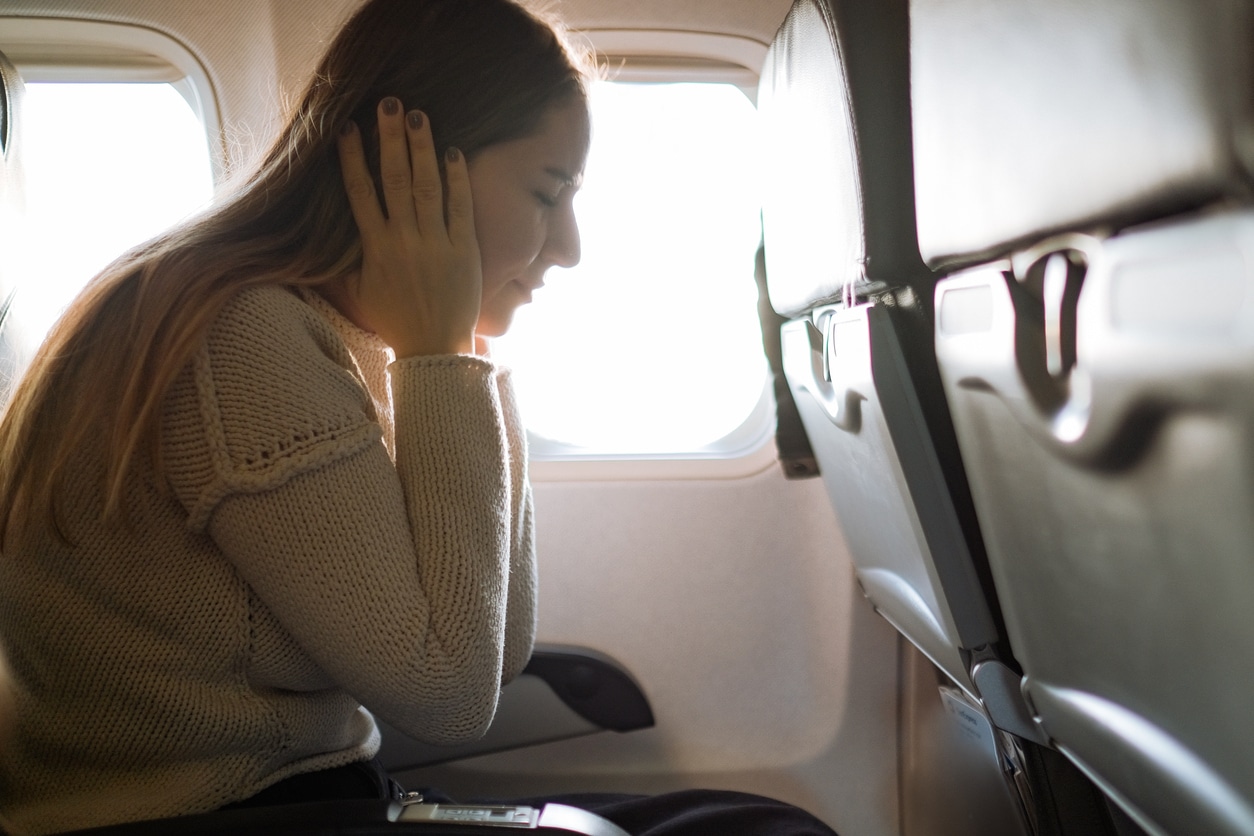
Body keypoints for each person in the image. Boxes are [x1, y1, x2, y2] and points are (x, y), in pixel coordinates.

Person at [0, 1, 838, 834]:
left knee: (746, 822)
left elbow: (498, 648)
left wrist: (461, 349)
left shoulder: (329, 329)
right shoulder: (242, 337)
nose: (571, 244)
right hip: (207, 814)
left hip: (294, 798)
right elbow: (449, 693)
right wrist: (444, 352)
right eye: (550, 193)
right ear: (422, 169)